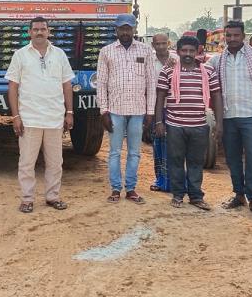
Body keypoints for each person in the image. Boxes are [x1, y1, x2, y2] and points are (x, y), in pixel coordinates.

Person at [5, 17, 74, 213]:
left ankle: (53, 196)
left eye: (43, 29)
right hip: (29, 119)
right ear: (29, 32)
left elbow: (66, 84)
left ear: (48, 31)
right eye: (35, 29)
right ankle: (27, 199)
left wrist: (69, 112)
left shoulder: (59, 54)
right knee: (26, 162)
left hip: (54, 118)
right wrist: (16, 116)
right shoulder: (20, 55)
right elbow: (13, 87)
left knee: (55, 163)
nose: (39, 32)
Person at [208, 20, 252, 220]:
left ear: (243, 36)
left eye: (236, 35)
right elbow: (203, 76)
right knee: (232, 159)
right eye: (229, 36)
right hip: (228, 117)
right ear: (224, 37)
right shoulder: (216, 60)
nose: (232, 39)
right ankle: (239, 195)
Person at [155, 36, 223, 210]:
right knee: (176, 161)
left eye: (191, 51)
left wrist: (219, 124)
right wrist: (159, 122)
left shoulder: (208, 72)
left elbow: (216, 96)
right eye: (184, 50)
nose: (187, 54)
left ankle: (196, 196)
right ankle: (178, 195)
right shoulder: (168, 71)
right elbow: (160, 96)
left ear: (197, 52)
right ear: (178, 52)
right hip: (174, 125)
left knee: (196, 162)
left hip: (199, 126)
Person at [96, 13, 156, 204]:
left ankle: (130, 189)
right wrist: (103, 111)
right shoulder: (106, 51)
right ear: (116, 30)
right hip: (115, 110)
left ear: (134, 29)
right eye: (121, 28)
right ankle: (115, 188)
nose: (125, 31)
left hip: (138, 111)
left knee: (134, 152)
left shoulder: (146, 51)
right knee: (114, 152)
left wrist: (150, 112)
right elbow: (102, 83)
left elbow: (151, 83)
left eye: (128, 28)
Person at [150, 33, 176, 193]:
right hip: (156, 109)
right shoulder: (149, 61)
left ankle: (177, 181)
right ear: (153, 45)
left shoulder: (177, 60)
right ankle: (161, 181)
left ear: (168, 43)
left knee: (175, 146)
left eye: (163, 43)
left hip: (175, 108)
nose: (160, 47)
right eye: (157, 44)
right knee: (158, 145)